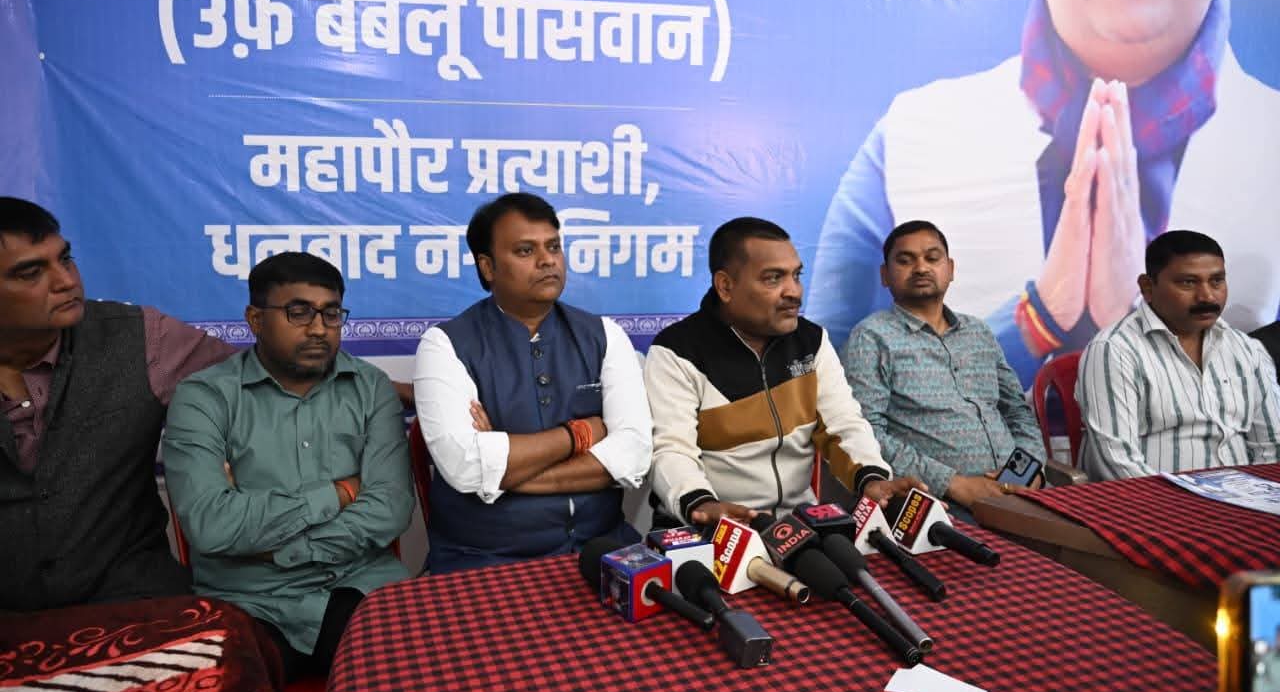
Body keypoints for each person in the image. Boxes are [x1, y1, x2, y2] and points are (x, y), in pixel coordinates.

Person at [809, 0, 1280, 388]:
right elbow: (834, 388)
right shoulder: (912, 137)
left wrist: (1135, 315)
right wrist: (1037, 317)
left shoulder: (1270, 139)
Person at [163, 252, 413, 681]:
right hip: (249, 599)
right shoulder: (204, 398)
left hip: (359, 584)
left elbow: (390, 507)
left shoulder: (370, 387)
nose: (318, 328)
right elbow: (211, 525)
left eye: (331, 313)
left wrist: (279, 546)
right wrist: (339, 493)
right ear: (255, 319)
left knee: (423, 682)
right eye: (298, 312)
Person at [0, 196, 236, 611]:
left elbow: (265, 384)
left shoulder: (144, 340)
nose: (66, 281)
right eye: (31, 272)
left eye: (65, 259)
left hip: (136, 604)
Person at [413, 193, 651, 573]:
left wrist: (505, 472)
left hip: (603, 547)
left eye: (553, 247)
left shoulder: (605, 335)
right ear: (488, 267)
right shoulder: (445, 345)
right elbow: (465, 467)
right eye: (525, 251)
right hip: (485, 559)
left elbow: (634, 455)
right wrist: (580, 435)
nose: (547, 260)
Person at [645, 217, 922, 528]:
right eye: (773, 278)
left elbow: (844, 424)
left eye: (796, 275)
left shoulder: (811, 341)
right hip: (710, 527)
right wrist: (701, 504)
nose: (794, 291)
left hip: (798, 525)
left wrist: (872, 478)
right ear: (725, 286)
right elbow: (670, 449)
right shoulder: (678, 351)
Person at [843, 221, 1043, 517]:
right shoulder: (871, 338)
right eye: (905, 260)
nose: (921, 268)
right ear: (885, 275)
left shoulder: (978, 332)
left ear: (950, 269)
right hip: (939, 503)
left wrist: (1029, 470)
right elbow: (866, 432)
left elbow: (1017, 411)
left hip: (1021, 491)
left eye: (932, 258)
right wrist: (952, 483)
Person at [1077, 230, 1279, 481]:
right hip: (1151, 499)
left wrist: (1260, 494)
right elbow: (1117, 460)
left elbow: (1271, 446)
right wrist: (1187, 501)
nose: (1207, 296)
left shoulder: (1246, 349)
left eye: (1216, 281)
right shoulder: (1115, 349)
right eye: (1188, 283)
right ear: (1148, 287)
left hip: (1243, 497)